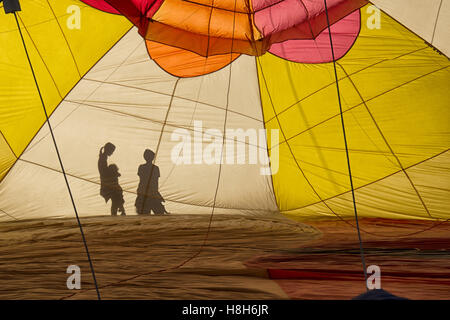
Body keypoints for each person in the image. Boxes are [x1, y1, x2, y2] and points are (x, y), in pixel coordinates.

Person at [135, 149, 168, 215]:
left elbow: (153, 181)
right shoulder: (155, 168)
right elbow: (155, 182)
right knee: (157, 213)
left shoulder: (142, 167)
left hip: (145, 191)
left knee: (146, 213)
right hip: (148, 192)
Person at [98, 143, 126, 216]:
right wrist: (114, 172)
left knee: (116, 198)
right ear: (108, 150)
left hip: (108, 182)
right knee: (116, 198)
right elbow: (103, 171)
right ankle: (116, 214)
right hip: (107, 183)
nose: (112, 153)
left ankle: (119, 212)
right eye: (112, 151)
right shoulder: (103, 158)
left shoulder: (103, 157)